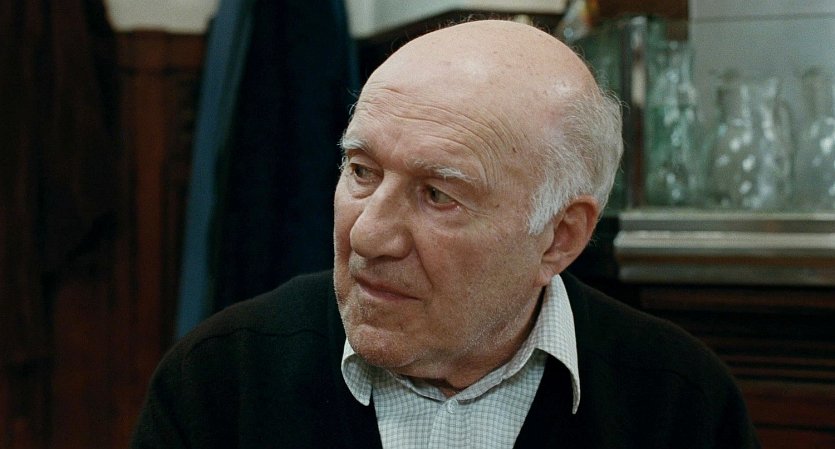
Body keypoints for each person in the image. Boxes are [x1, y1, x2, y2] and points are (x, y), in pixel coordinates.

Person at [131, 20, 760, 448]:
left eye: (437, 194)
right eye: (361, 171)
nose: (369, 236)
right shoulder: (221, 380)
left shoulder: (680, 405)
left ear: (559, 238)